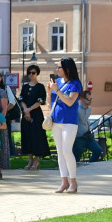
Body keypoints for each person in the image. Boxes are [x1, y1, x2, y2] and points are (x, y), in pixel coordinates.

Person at [48, 57, 82, 193]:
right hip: (57, 121)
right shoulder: (57, 82)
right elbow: (49, 103)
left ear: (67, 69)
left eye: (59, 67)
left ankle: (73, 181)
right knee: (60, 152)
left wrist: (57, 90)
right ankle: (64, 181)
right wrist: (49, 91)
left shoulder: (75, 83)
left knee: (67, 151)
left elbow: (70, 102)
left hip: (70, 122)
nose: (57, 70)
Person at [18, 64, 49, 170]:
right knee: (27, 137)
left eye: (33, 73)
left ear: (37, 74)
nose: (31, 75)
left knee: (37, 137)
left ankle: (36, 160)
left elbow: (40, 101)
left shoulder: (40, 87)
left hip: (36, 115)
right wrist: (25, 110)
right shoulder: (25, 87)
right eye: (30, 73)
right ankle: (30, 159)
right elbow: (21, 99)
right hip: (26, 115)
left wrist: (29, 109)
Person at [72, 90, 104, 163]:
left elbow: (86, 120)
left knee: (98, 150)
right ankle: (75, 169)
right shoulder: (77, 109)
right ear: (82, 99)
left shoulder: (89, 108)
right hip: (79, 137)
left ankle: (90, 165)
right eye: (88, 99)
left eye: (91, 99)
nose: (90, 101)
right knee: (77, 155)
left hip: (87, 135)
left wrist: (89, 130)